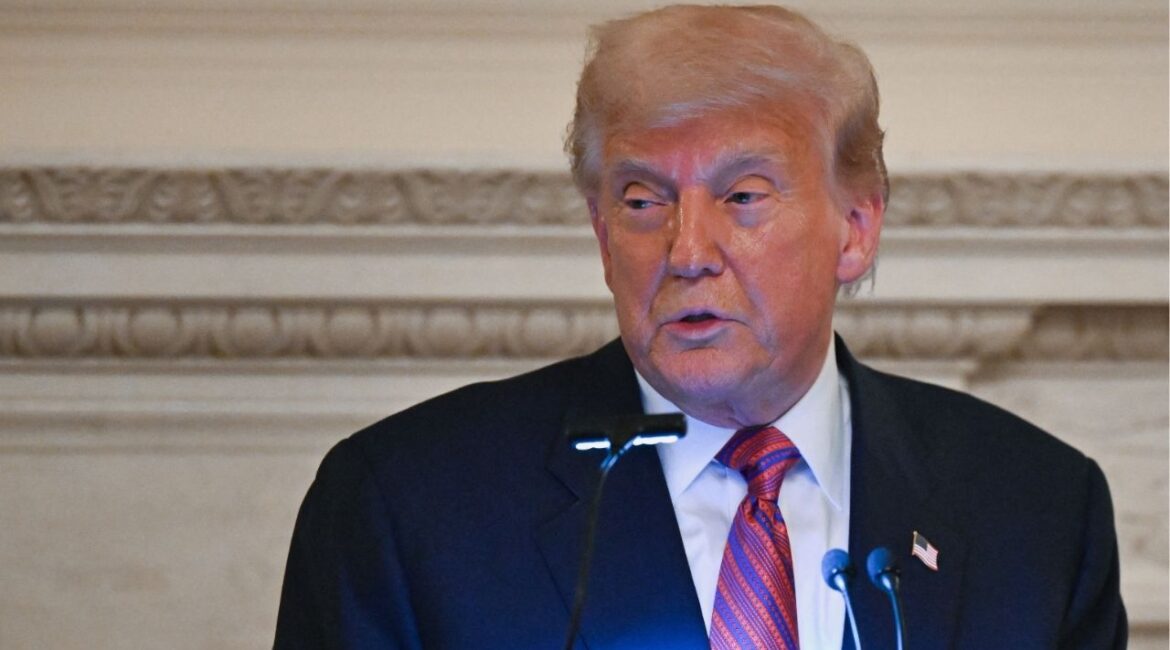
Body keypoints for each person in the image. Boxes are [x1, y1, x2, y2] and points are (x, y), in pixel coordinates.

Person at [274, 5, 1126, 649]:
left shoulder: (1037, 510)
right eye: (643, 201)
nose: (687, 252)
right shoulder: (406, 507)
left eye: (743, 196)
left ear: (856, 227)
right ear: (604, 236)